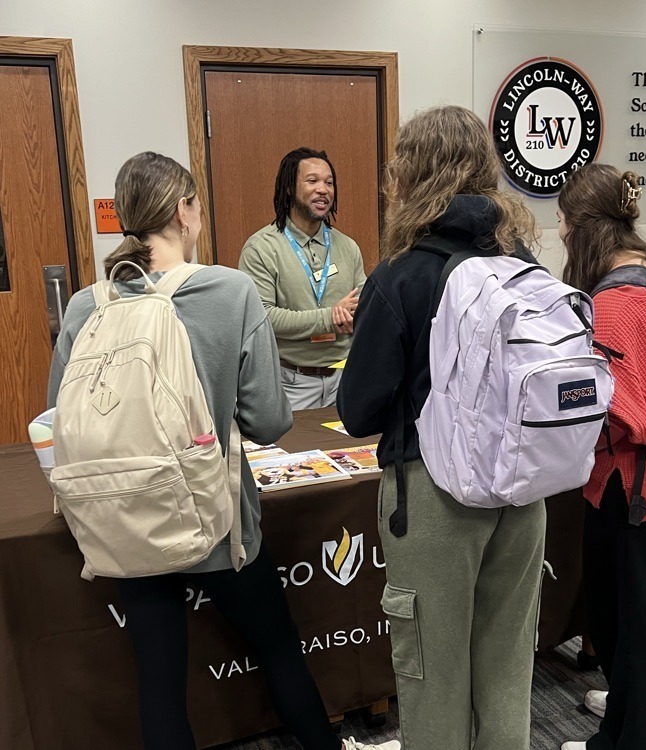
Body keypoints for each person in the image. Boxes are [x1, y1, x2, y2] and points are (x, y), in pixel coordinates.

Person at [47, 151, 398, 750]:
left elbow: (63, 413)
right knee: (279, 650)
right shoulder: (228, 292)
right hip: (219, 521)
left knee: (159, 681)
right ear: (186, 212)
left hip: (127, 520)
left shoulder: (86, 306)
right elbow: (267, 422)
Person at [337, 106, 547, 750]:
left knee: (432, 673)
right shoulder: (524, 263)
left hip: (432, 499)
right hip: (522, 488)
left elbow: (358, 410)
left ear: (412, 176)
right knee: (508, 670)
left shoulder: (399, 276)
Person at [556, 164, 646, 750]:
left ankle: (635, 737)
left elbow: (620, 410)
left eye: (564, 223)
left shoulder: (614, 303)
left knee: (631, 622)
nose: (560, 235)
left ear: (587, 228)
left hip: (629, 482)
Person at [239, 147, 367, 410]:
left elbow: (364, 303)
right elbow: (261, 317)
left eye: (329, 183)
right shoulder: (262, 248)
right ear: (289, 188)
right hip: (290, 382)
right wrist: (329, 318)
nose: (323, 189)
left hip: (344, 380)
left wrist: (361, 312)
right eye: (312, 181)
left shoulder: (347, 247)